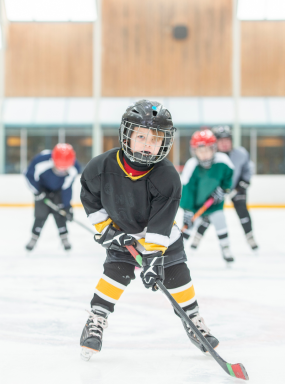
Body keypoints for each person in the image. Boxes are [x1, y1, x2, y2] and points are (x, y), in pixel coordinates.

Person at [79, 100, 219, 361]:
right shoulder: (100, 168)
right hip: (123, 235)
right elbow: (90, 199)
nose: (147, 143)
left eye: (155, 139)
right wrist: (107, 230)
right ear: (127, 135)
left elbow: (161, 222)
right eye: (141, 136)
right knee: (114, 274)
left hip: (162, 236)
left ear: (164, 142)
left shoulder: (167, 177)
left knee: (178, 275)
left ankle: (192, 319)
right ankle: (96, 319)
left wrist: (154, 257)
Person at [190, 126, 257, 251]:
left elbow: (248, 168)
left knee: (242, 209)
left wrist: (244, 183)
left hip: (236, 188)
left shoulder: (240, 154)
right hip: (217, 190)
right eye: (221, 141)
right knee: (210, 212)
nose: (225, 143)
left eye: (227, 140)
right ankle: (197, 237)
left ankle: (250, 236)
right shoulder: (212, 157)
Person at [180, 129, 234, 262]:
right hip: (196, 206)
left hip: (214, 203)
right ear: (194, 151)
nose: (204, 154)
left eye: (207, 150)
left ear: (214, 149)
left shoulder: (223, 161)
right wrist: (188, 210)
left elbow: (228, 179)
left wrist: (223, 190)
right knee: (187, 228)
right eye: (200, 151)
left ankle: (225, 247)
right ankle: (178, 251)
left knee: (220, 221)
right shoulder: (192, 166)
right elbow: (187, 191)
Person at [24, 143, 81, 251]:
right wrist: (37, 191)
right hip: (42, 190)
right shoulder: (41, 160)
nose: (62, 171)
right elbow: (28, 175)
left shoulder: (75, 168)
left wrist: (68, 206)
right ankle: (34, 237)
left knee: (60, 214)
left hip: (59, 191)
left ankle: (64, 237)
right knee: (40, 215)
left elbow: (67, 188)